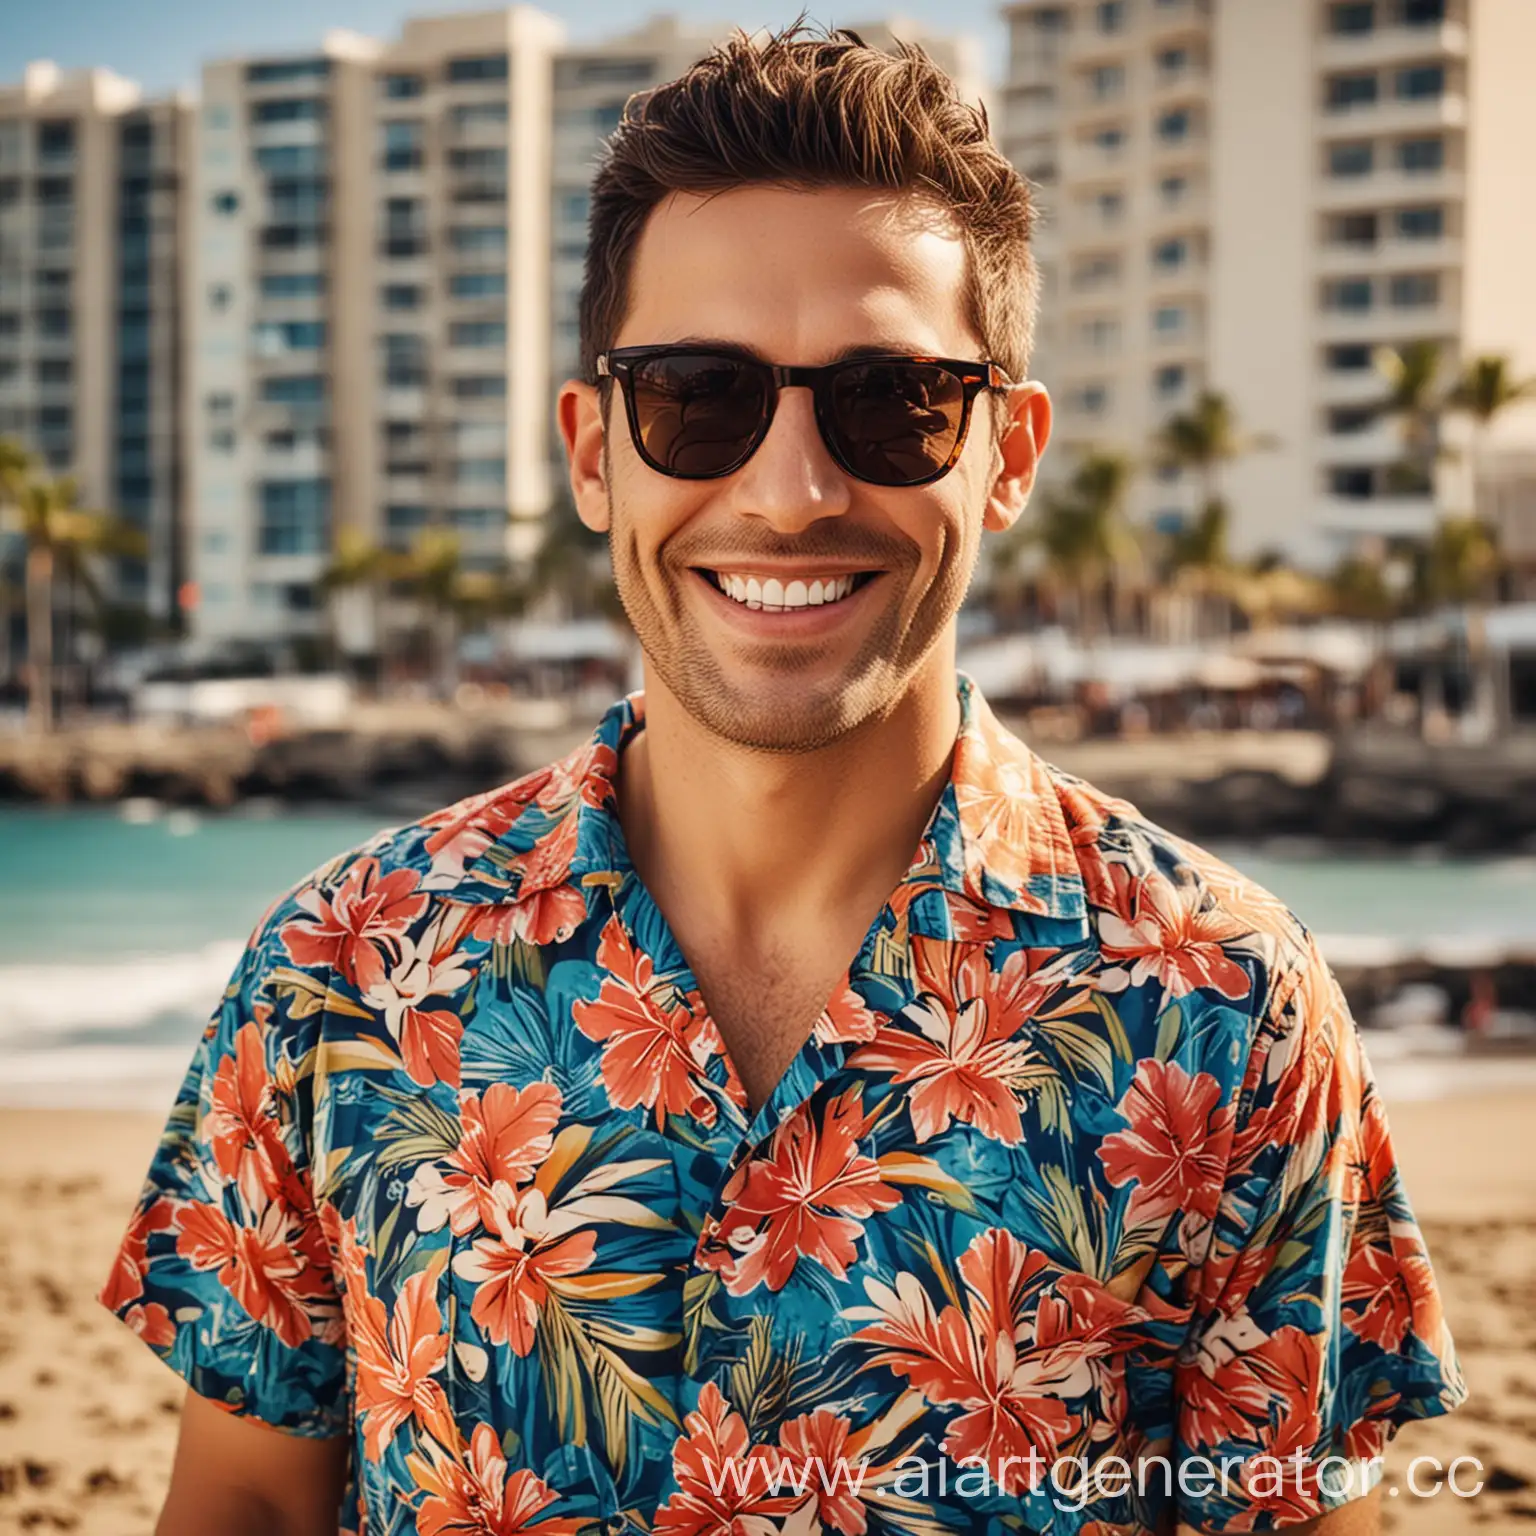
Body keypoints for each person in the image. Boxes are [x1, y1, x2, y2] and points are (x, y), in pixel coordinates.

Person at [100, 26, 1464, 1536]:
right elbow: (246, 1506)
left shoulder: (1226, 1001)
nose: (795, 489)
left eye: (893, 401)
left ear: (1007, 454)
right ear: (594, 450)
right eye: (698, 395)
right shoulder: (341, 974)